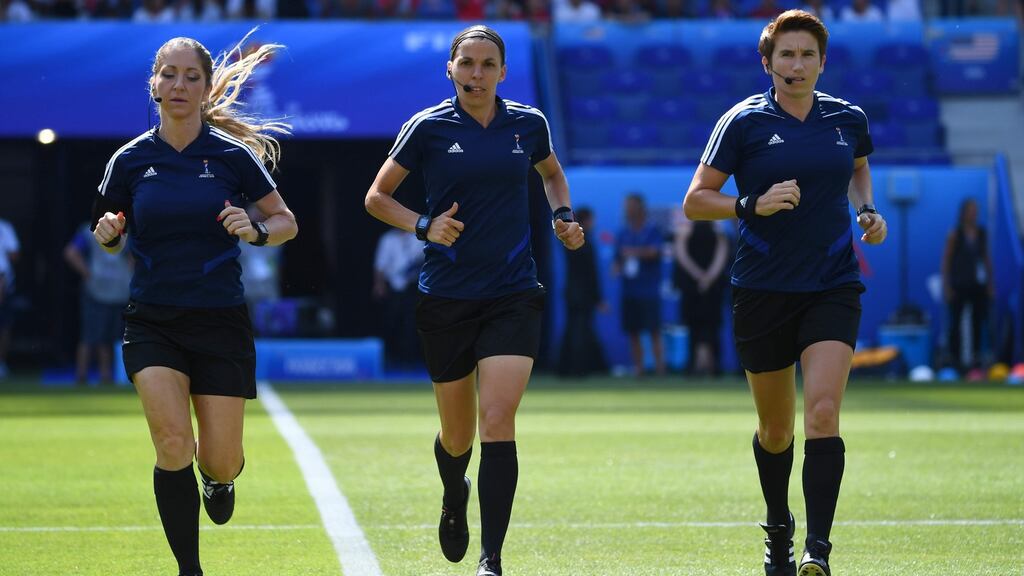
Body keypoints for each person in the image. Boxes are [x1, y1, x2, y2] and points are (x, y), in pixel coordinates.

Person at [364, 25, 584, 576]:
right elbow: (376, 197)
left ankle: (492, 558)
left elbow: (553, 175)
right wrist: (423, 225)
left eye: (488, 64)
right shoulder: (428, 127)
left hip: (513, 292)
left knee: (497, 418)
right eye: (467, 63)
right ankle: (452, 490)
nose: (477, 74)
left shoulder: (528, 125)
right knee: (457, 436)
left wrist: (562, 217)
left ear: (503, 72)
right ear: (451, 69)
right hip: (446, 297)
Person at [682, 10, 887, 576]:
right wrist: (752, 203)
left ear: (823, 62)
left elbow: (859, 167)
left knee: (823, 411)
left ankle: (817, 551)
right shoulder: (743, 122)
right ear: (767, 62)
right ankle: (778, 530)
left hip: (832, 284)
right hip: (763, 289)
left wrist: (866, 208)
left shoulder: (847, 118)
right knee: (776, 430)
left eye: (807, 55)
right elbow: (695, 201)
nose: (796, 65)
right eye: (786, 55)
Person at [91, 32, 297, 576]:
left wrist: (253, 229)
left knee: (219, 457)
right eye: (168, 74)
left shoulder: (232, 157)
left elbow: (285, 223)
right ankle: (190, 569)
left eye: (191, 77)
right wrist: (109, 232)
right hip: (152, 319)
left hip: (220, 320)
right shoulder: (130, 160)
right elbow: (107, 228)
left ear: (206, 89)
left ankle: (221, 477)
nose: (178, 85)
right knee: (172, 441)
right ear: (153, 85)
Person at [64, 222, 133, 385]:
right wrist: (88, 273)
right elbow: (71, 252)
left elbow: (132, 257)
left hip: (119, 291)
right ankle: (81, 375)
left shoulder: (128, 231)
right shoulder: (88, 231)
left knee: (111, 336)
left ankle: (106, 375)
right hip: (97, 291)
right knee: (91, 334)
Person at [614, 193, 665, 377]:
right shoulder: (623, 232)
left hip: (649, 289)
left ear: (640, 208)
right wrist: (617, 267)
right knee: (633, 331)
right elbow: (617, 258)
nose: (627, 209)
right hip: (630, 290)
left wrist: (634, 252)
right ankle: (639, 368)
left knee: (654, 330)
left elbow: (655, 252)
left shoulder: (652, 229)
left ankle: (660, 368)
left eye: (630, 205)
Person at [941, 198, 993, 371]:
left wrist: (990, 283)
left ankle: (976, 359)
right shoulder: (955, 234)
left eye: (976, 210)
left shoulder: (981, 233)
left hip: (977, 285)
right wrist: (947, 286)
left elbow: (986, 259)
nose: (974, 213)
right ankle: (955, 359)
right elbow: (947, 261)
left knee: (978, 321)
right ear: (964, 213)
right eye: (971, 210)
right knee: (956, 322)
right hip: (959, 284)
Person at [672, 218, 728, 376]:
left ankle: (712, 366)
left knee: (710, 328)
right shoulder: (687, 231)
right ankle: (696, 365)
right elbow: (681, 254)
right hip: (698, 287)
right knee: (696, 327)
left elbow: (720, 255)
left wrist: (703, 276)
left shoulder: (718, 232)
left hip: (707, 288)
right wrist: (705, 277)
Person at [558, 207, 608, 378]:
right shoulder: (586, 243)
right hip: (584, 295)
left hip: (571, 292)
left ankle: (564, 368)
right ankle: (578, 368)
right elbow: (592, 274)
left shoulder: (567, 242)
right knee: (580, 331)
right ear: (585, 221)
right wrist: (599, 298)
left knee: (571, 329)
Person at [372, 227, 424, 368]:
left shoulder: (417, 237)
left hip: (413, 287)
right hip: (393, 287)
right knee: (391, 322)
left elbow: (423, 261)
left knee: (411, 323)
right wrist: (379, 284)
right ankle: (390, 357)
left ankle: (410, 358)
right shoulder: (388, 239)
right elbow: (380, 265)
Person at [0, 217, 19, 379]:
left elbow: (14, 254)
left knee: (4, 326)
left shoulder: (4, 228)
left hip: (4, 284)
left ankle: (1, 363)